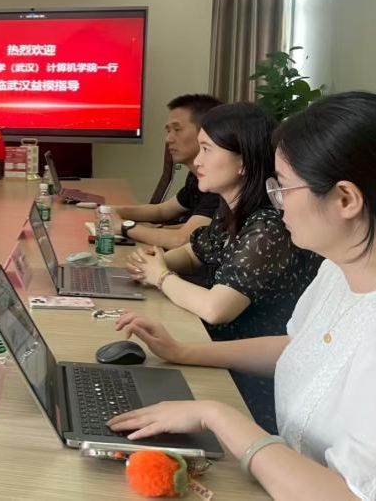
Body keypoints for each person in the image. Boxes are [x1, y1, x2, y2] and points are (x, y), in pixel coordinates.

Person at [110, 92, 376, 500]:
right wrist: (184, 352)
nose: (277, 203)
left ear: (345, 199)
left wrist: (215, 415)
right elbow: (300, 347)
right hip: (278, 473)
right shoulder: (339, 269)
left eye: (284, 187)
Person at [124, 103, 320, 432]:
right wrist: (154, 263)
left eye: (207, 149)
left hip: (249, 382)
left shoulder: (268, 225)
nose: (197, 161)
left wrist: (161, 276)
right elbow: (195, 253)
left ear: (243, 161)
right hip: (217, 353)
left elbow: (216, 309)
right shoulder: (232, 209)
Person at [111, 94, 223, 250]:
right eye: (168, 131)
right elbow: (162, 211)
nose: (168, 139)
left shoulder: (220, 183)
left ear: (207, 133)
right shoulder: (196, 175)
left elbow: (181, 240)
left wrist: (124, 227)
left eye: (177, 129)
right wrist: (111, 210)